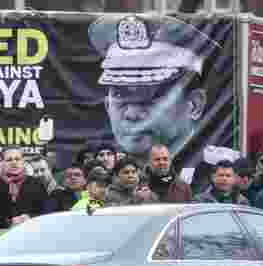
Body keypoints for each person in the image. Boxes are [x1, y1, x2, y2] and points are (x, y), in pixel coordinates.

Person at [89, 14, 219, 163]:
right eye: (119, 94)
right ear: (107, 105)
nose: (132, 114)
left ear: (195, 105)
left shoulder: (212, 173)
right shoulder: (100, 171)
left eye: (150, 95)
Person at [0, 147, 50, 229]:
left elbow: (46, 212)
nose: (14, 162)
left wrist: (30, 218)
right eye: (9, 160)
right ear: (2, 163)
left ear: (23, 162)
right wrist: (8, 222)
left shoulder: (36, 184)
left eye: (17, 159)